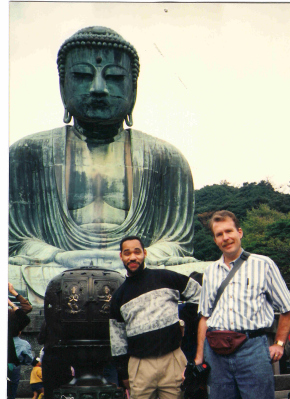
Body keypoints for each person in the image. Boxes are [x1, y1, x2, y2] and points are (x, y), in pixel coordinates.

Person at [9, 26, 196, 303]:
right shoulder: (27, 153)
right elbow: (16, 242)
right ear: (63, 86)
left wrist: (134, 257)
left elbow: (177, 244)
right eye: (83, 76)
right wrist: (60, 256)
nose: (98, 88)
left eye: (115, 77)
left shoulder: (166, 158)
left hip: (138, 267)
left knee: (198, 271)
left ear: (133, 89)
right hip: (54, 266)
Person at [194, 210, 290, 399]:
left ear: (239, 232)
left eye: (229, 231)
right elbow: (204, 317)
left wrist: (279, 343)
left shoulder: (263, 264)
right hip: (216, 353)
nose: (225, 237)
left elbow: (288, 308)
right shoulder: (210, 272)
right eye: (219, 234)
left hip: (252, 348)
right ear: (215, 239)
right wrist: (199, 356)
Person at [109, 236, 201, 399]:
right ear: (121, 257)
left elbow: (199, 295)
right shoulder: (119, 297)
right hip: (139, 365)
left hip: (172, 360)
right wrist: (123, 374)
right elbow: (118, 339)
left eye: (137, 251)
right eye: (127, 253)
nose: (133, 257)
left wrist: (184, 320)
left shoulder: (166, 277)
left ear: (145, 253)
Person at [7, 283, 32, 399]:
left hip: (9, 362)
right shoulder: (10, 318)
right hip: (10, 363)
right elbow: (25, 315)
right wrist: (11, 298)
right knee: (9, 396)